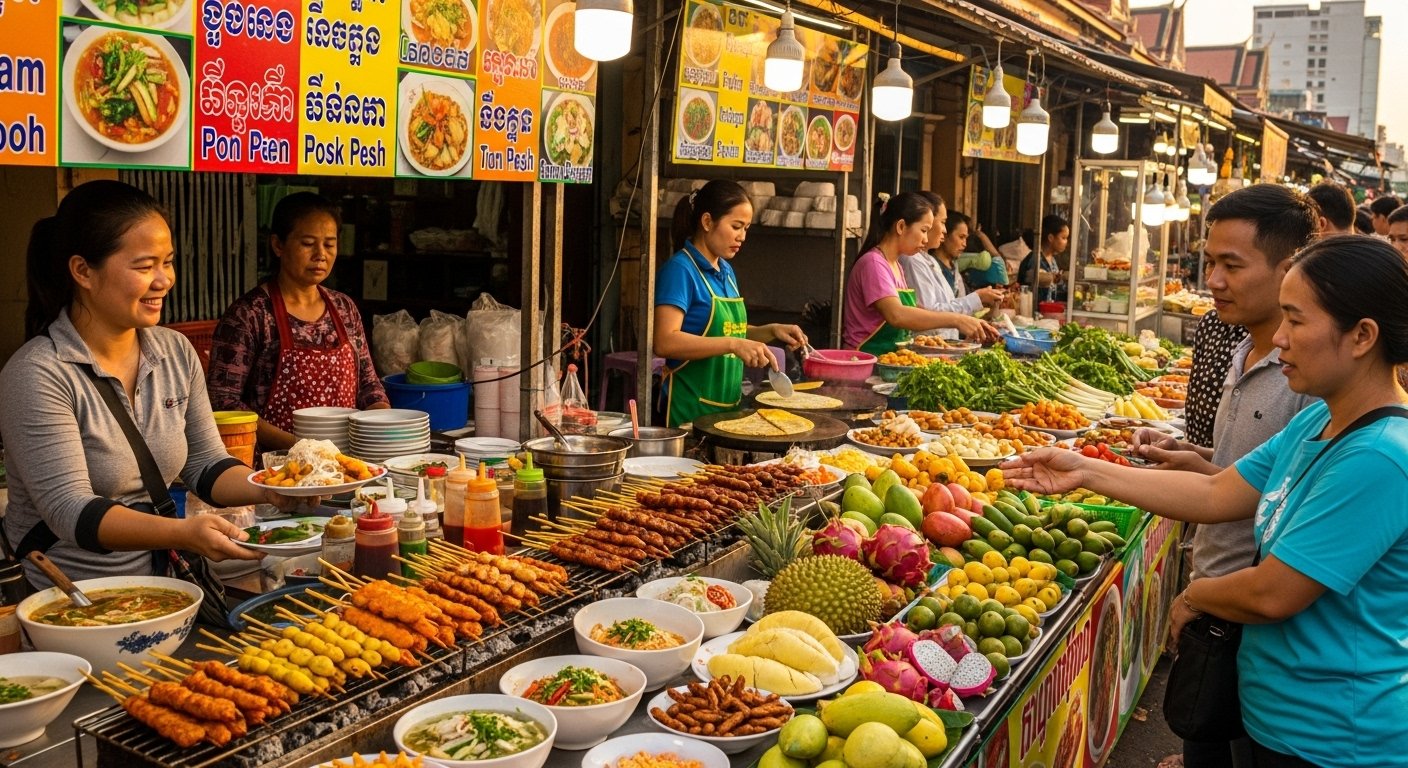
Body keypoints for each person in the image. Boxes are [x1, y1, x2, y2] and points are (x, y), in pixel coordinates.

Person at [1003, 235, 1408, 768]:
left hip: (1334, 737)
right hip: (1272, 713)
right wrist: (1083, 470)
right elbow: (1216, 490)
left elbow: (1272, 593)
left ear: (1361, 336)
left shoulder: (1380, 458)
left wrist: (1198, 596)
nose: (1280, 338)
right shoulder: (1319, 420)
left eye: (1297, 320)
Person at [1, 181, 295, 587]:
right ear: (83, 271)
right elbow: (70, 509)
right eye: (144, 266)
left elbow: (206, 465)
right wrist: (182, 534)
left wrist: (275, 489)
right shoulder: (38, 373)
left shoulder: (175, 351)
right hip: (69, 599)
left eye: (168, 262)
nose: (164, 280)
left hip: (165, 587)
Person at [1131, 185, 1319, 768]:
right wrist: (1195, 457)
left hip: (1251, 621)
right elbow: (1237, 480)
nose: (1212, 279)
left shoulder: (1309, 382)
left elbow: (1283, 519)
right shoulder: (1243, 351)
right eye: (1208, 262)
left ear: (1289, 270)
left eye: (1231, 265)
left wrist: (1199, 594)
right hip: (1217, 606)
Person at [207, 193, 388, 452]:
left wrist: (385, 423)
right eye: (308, 243)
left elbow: (368, 385)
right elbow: (223, 401)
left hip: (343, 463)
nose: (320, 255)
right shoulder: (250, 314)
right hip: (272, 468)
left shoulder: (344, 308)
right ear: (278, 245)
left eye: (329, 244)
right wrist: (301, 448)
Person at [652, 180, 807, 427]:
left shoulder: (725, 270)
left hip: (725, 410)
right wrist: (733, 344)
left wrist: (771, 330)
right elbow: (664, 341)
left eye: (746, 228)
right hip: (687, 414)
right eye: (736, 226)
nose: (742, 237)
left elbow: (727, 332)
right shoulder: (680, 270)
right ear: (707, 222)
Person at [841, 192, 997, 354]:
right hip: (864, 359)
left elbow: (917, 310)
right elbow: (897, 314)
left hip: (888, 358)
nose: (925, 239)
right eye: (923, 230)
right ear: (901, 227)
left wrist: (968, 320)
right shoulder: (873, 263)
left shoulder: (895, 265)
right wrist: (956, 320)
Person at [899, 209, 1005, 340]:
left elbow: (949, 307)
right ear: (901, 227)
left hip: (943, 344)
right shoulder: (911, 260)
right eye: (924, 229)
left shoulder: (932, 262)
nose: (943, 230)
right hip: (928, 344)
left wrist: (977, 324)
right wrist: (977, 298)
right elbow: (928, 313)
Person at [1018, 214, 1068, 303]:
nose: (1066, 242)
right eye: (1063, 238)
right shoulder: (1034, 260)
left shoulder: (1052, 260)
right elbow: (1031, 279)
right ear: (1051, 238)